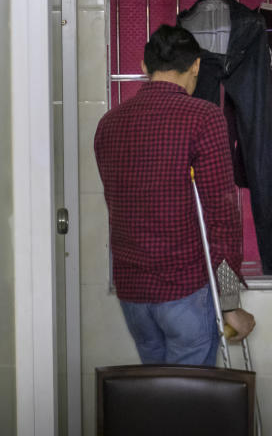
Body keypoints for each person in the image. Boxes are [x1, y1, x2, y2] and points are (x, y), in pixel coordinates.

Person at [94, 24, 255, 366]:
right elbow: (221, 215)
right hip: (184, 288)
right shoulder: (204, 118)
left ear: (143, 66)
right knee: (189, 401)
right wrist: (229, 303)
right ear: (195, 66)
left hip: (133, 293)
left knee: (157, 395)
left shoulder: (109, 124)